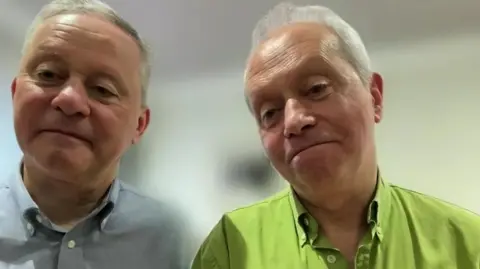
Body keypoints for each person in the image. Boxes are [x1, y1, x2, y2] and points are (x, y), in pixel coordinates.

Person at [192, 3, 480, 269]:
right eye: (269, 113)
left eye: (316, 88)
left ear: (374, 97)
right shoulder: (230, 249)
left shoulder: (466, 243)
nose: (293, 121)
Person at [0, 0, 189, 268]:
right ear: (15, 93)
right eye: (48, 74)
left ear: (139, 125)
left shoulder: (171, 241)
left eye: (102, 89)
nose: (69, 100)